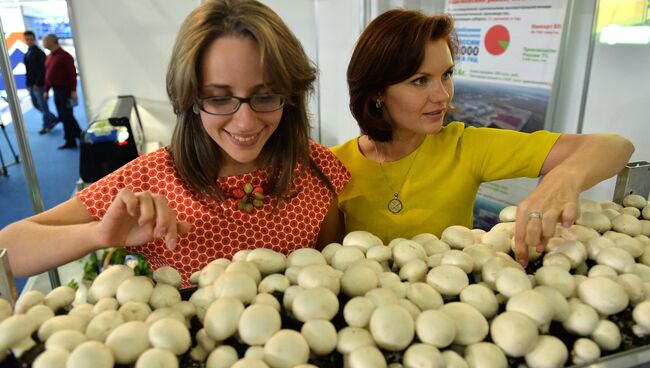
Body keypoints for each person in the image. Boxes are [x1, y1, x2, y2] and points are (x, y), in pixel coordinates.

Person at [0, 0, 349, 288]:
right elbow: (8, 249)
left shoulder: (315, 168)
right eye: (218, 98)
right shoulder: (152, 179)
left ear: (291, 94)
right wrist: (98, 234)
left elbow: (329, 279)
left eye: (266, 95)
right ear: (189, 99)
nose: (245, 122)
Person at [332, 9, 634, 266]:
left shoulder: (466, 146)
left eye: (447, 75)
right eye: (420, 81)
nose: (443, 95)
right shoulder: (333, 164)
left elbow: (616, 145)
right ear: (376, 93)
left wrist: (566, 178)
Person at [43, 33, 82, 149]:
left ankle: (83, 138)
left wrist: (73, 91)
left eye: (45, 41)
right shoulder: (50, 56)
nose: (43, 43)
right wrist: (46, 90)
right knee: (63, 116)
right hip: (56, 91)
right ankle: (70, 140)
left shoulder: (65, 56)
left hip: (65, 90)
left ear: (52, 41)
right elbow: (48, 75)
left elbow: (72, 75)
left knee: (67, 116)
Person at [23, 30, 57, 134]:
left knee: (43, 105)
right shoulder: (28, 52)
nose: (29, 41)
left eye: (31, 39)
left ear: (34, 39)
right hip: (31, 85)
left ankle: (47, 125)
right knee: (36, 104)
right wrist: (28, 84)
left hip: (39, 85)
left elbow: (43, 70)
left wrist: (37, 83)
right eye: (27, 39)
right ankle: (52, 118)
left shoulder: (39, 53)